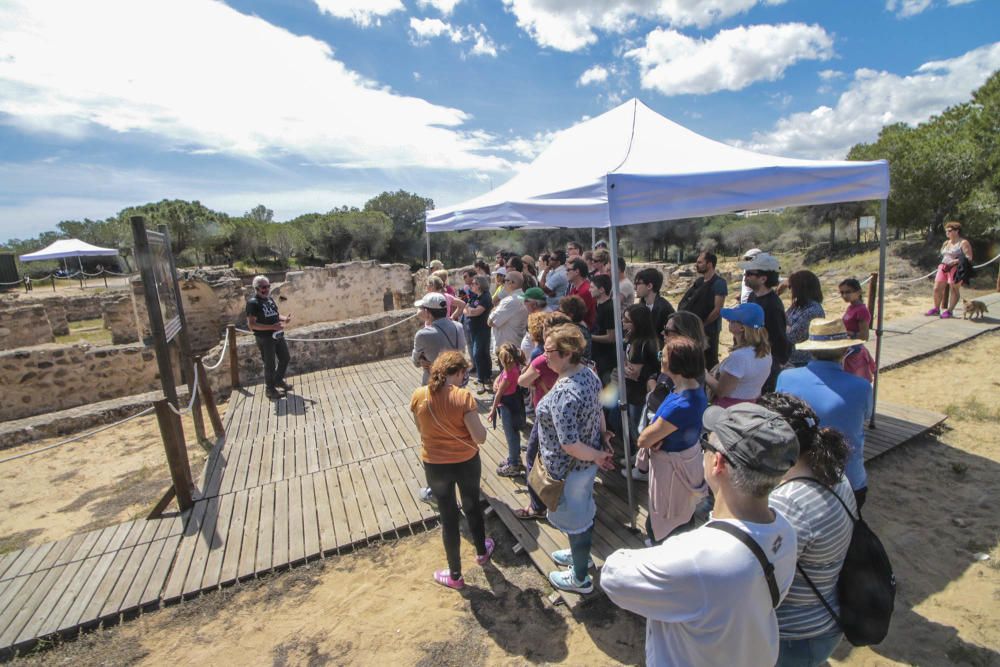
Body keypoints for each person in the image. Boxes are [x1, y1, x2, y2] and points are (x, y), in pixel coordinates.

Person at [602, 402, 799, 667]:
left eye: (705, 444)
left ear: (718, 463)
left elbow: (613, 577)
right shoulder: (785, 531)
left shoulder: (695, 557)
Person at [760, 392, 856, 667]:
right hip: (827, 615)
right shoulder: (834, 475)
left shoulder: (788, 503)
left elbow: (762, 581)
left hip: (795, 636)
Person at [536, 324, 614, 594]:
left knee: (578, 519)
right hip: (586, 466)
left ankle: (580, 578)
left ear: (567, 353)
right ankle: (579, 553)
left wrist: (599, 455)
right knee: (583, 514)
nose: (544, 355)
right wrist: (602, 442)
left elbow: (569, 444)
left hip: (570, 471)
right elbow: (598, 409)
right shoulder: (589, 374)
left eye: (549, 351)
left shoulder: (563, 393)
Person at [410, 352, 494, 590]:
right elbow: (480, 438)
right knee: (471, 506)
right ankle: (481, 552)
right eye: (463, 373)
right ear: (457, 373)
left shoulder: (419, 395)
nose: (464, 377)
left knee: (448, 518)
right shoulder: (463, 397)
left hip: (435, 464)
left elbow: (421, 430)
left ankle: (455, 575)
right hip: (465, 461)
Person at [776, 318, 872, 509]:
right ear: (845, 350)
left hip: (797, 476)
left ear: (810, 350)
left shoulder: (786, 377)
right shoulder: (862, 387)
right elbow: (864, 418)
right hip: (847, 478)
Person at [635, 336, 708, 544]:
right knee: (681, 512)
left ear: (675, 363)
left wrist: (654, 436)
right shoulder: (693, 388)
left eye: (663, 355)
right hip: (685, 460)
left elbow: (644, 440)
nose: (660, 358)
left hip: (673, 473)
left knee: (670, 516)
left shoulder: (681, 405)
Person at [515, 312, 573, 520]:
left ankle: (537, 506)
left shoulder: (541, 359)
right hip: (570, 412)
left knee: (533, 456)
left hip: (546, 413)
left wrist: (536, 381)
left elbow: (522, 381)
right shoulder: (576, 355)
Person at [741, 252, 790, 392]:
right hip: (752, 359)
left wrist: (773, 366)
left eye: (750, 273)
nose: (745, 276)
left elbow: (779, 339)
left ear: (763, 278)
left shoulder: (772, 305)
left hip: (765, 366)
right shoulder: (752, 296)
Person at [706, 302, 771, 408]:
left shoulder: (739, 357)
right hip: (752, 405)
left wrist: (705, 375)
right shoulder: (766, 352)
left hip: (730, 411)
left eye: (732, 320)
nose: (728, 321)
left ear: (742, 328)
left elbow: (721, 391)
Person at [678, 250, 728, 370]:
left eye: (700, 262)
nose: (697, 265)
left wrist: (702, 324)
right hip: (693, 329)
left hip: (709, 330)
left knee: (709, 361)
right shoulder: (699, 282)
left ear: (709, 264)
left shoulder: (719, 283)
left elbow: (717, 310)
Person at [246, 275, 293, 400]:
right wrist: (272, 327)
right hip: (265, 338)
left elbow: (276, 315)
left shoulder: (269, 299)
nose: (266, 289)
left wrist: (284, 319)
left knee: (285, 358)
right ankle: (270, 390)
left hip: (277, 335)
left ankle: (277, 380)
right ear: (256, 288)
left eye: (268, 286)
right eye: (263, 287)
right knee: (270, 364)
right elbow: (252, 325)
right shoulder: (253, 303)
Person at [622, 304, 660, 450]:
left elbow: (638, 372)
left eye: (627, 320)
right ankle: (636, 455)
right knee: (631, 424)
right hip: (630, 390)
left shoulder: (647, 344)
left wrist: (638, 371)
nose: (623, 323)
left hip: (640, 393)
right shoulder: (631, 338)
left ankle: (642, 462)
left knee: (639, 426)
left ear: (638, 323)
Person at [411, 293, 465, 386]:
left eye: (422, 308)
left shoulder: (423, 334)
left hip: (436, 383)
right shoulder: (459, 326)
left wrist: (421, 361)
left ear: (427, 312)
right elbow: (461, 352)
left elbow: (415, 362)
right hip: (457, 381)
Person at [490, 342, 527, 477]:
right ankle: (515, 457)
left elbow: (499, 394)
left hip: (507, 406)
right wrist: (495, 381)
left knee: (510, 435)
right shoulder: (515, 366)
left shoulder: (508, 375)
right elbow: (501, 375)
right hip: (515, 403)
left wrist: (492, 410)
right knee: (514, 433)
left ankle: (513, 465)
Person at [927, 221, 974, 319]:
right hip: (943, 267)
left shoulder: (963, 242)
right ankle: (936, 309)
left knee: (954, 289)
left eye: (949, 230)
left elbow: (969, 257)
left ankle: (949, 311)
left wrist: (955, 261)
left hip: (956, 268)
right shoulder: (946, 243)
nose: (947, 233)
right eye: (946, 231)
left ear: (957, 231)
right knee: (937, 288)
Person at [785, 270, 826, 367]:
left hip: (801, 361)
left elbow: (793, 336)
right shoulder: (798, 305)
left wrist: (785, 327)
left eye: (792, 287)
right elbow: (782, 321)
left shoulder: (813, 310)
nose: (790, 290)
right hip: (791, 358)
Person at [838, 278, 876, 382]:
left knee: (854, 382)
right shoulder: (851, 307)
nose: (845, 295)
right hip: (847, 349)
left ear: (858, 292)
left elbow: (864, 336)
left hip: (855, 352)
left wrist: (848, 333)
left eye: (848, 292)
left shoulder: (861, 310)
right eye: (842, 293)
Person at [488, 270, 528, 357]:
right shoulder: (522, 296)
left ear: (511, 283)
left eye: (505, 280)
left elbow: (490, 321)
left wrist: (494, 309)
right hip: (515, 343)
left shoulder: (509, 301)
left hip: (507, 348)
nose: (503, 283)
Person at [465, 275, 493, 392]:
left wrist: (470, 311)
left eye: (474, 283)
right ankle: (487, 377)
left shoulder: (485, 297)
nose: (472, 285)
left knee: (478, 353)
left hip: (482, 329)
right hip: (475, 329)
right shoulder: (475, 297)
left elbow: (476, 312)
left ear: (480, 285)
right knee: (483, 353)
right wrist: (469, 311)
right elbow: (465, 309)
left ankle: (481, 380)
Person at [589, 274, 618, 384]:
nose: (589, 290)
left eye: (592, 287)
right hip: (597, 355)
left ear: (601, 290)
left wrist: (589, 337)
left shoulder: (609, 308)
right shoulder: (597, 305)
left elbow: (611, 337)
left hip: (606, 358)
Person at [635, 267, 675, 339]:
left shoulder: (664, 308)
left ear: (649, 286)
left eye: (638, 283)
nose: (635, 287)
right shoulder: (641, 305)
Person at [517, 287, 549, 360]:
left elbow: (541, 345)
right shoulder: (534, 314)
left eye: (526, 300)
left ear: (535, 304)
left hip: (535, 362)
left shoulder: (545, 318)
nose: (524, 303)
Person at [558, 295, 592, 362]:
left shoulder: (574, 332)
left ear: (570, 315)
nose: (558, 314)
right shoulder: (581, 325)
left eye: (561, 311)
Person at [565, 257, 597, 329]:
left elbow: (573, 316)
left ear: (577, 272)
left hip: (581, 330)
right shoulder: (575, 288)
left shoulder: (585, 291)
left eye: (568, 270)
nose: (566, 273)